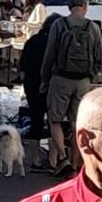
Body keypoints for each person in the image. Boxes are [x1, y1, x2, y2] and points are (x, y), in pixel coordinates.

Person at [40, 0, 102, 176]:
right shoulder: (93, 27)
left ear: (69, 7)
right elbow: (99, 55)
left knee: (56, 120)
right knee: (79, 123)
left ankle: (62, 158)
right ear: (85, 7)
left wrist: (44, 79)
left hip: (60, 78)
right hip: (83, 81)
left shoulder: (59, 25)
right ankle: (76, 165)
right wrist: (92, 76)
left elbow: (50, 54)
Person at [20, 13, 61, 171]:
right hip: (51, 85)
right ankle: (53, 159)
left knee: (35, 120)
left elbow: (22, 66)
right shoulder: (56, 43)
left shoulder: (32, 41)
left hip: (32, 85)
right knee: (54, 122)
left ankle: (34, 159)